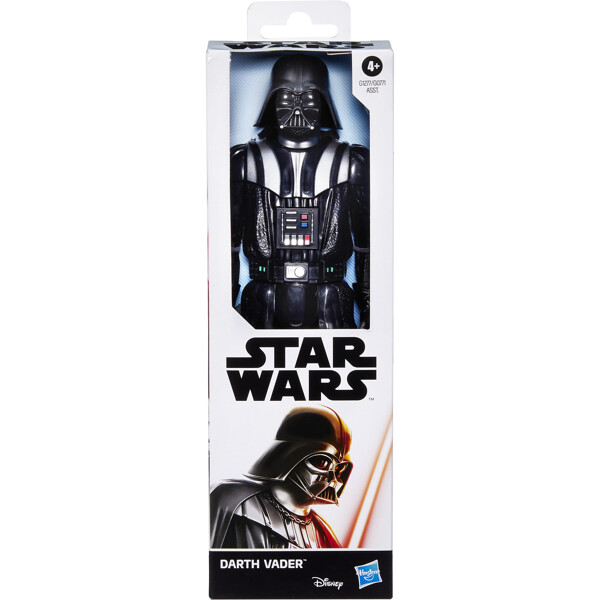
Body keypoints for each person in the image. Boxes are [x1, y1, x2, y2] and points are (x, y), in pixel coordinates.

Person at [231, 54, 370, 329]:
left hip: (329, 298)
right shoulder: (244, 161)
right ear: (272, 100)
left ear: (323, 102)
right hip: (263, 298)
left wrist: (368, 304)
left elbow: (367, 244)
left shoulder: (352, 162)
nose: (297, 110)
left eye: (308, 99)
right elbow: (228, 245)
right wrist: (221, 306)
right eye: (286, 98)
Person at [210, 406, 353, 548]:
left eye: (339, 469)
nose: (332, 478)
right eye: (322, 462)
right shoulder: (232, 499)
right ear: (289, 457)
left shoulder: (323, 534)